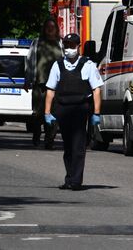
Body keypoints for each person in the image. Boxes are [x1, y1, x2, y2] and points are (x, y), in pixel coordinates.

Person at [44, 33, 103, 190]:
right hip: (63, 109)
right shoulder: (58, 65)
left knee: (78, 146)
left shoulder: (88, 65)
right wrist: (47, 113)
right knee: (68, 146)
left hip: (80, 109)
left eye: (72, 45)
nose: (69, 48)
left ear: (79, 46)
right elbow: (50, 90)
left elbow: (96, 90)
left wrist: (96, 113)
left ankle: (76, 180)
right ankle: (69, 178)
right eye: (67, 45)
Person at [25, 18, 63, 148]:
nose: (50, 29)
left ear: (56, 29)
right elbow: (30, 61)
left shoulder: (61, 44)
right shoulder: (37, 43)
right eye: (48, 27)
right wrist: (27, 79)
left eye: (53, 27)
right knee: (38, 114)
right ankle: (36, 134)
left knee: (54, 113)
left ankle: (49, 140)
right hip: (40, 84)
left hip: (56, 86)